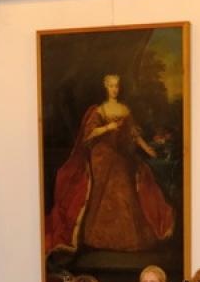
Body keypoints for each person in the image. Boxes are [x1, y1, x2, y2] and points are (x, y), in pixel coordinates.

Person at [44, 73, 175, 257]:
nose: (115, 89)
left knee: (125, 187)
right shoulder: (99, 111)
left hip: (120, 157)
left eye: (117, 86)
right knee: (103, 193)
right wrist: (107, 128)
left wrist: (147, 149)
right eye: (111, 86)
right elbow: (88, 135)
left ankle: (126, 239)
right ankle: (95, 239)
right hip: (101, 157)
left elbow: (134, 135)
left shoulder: (124, 109)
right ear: (105, 86)